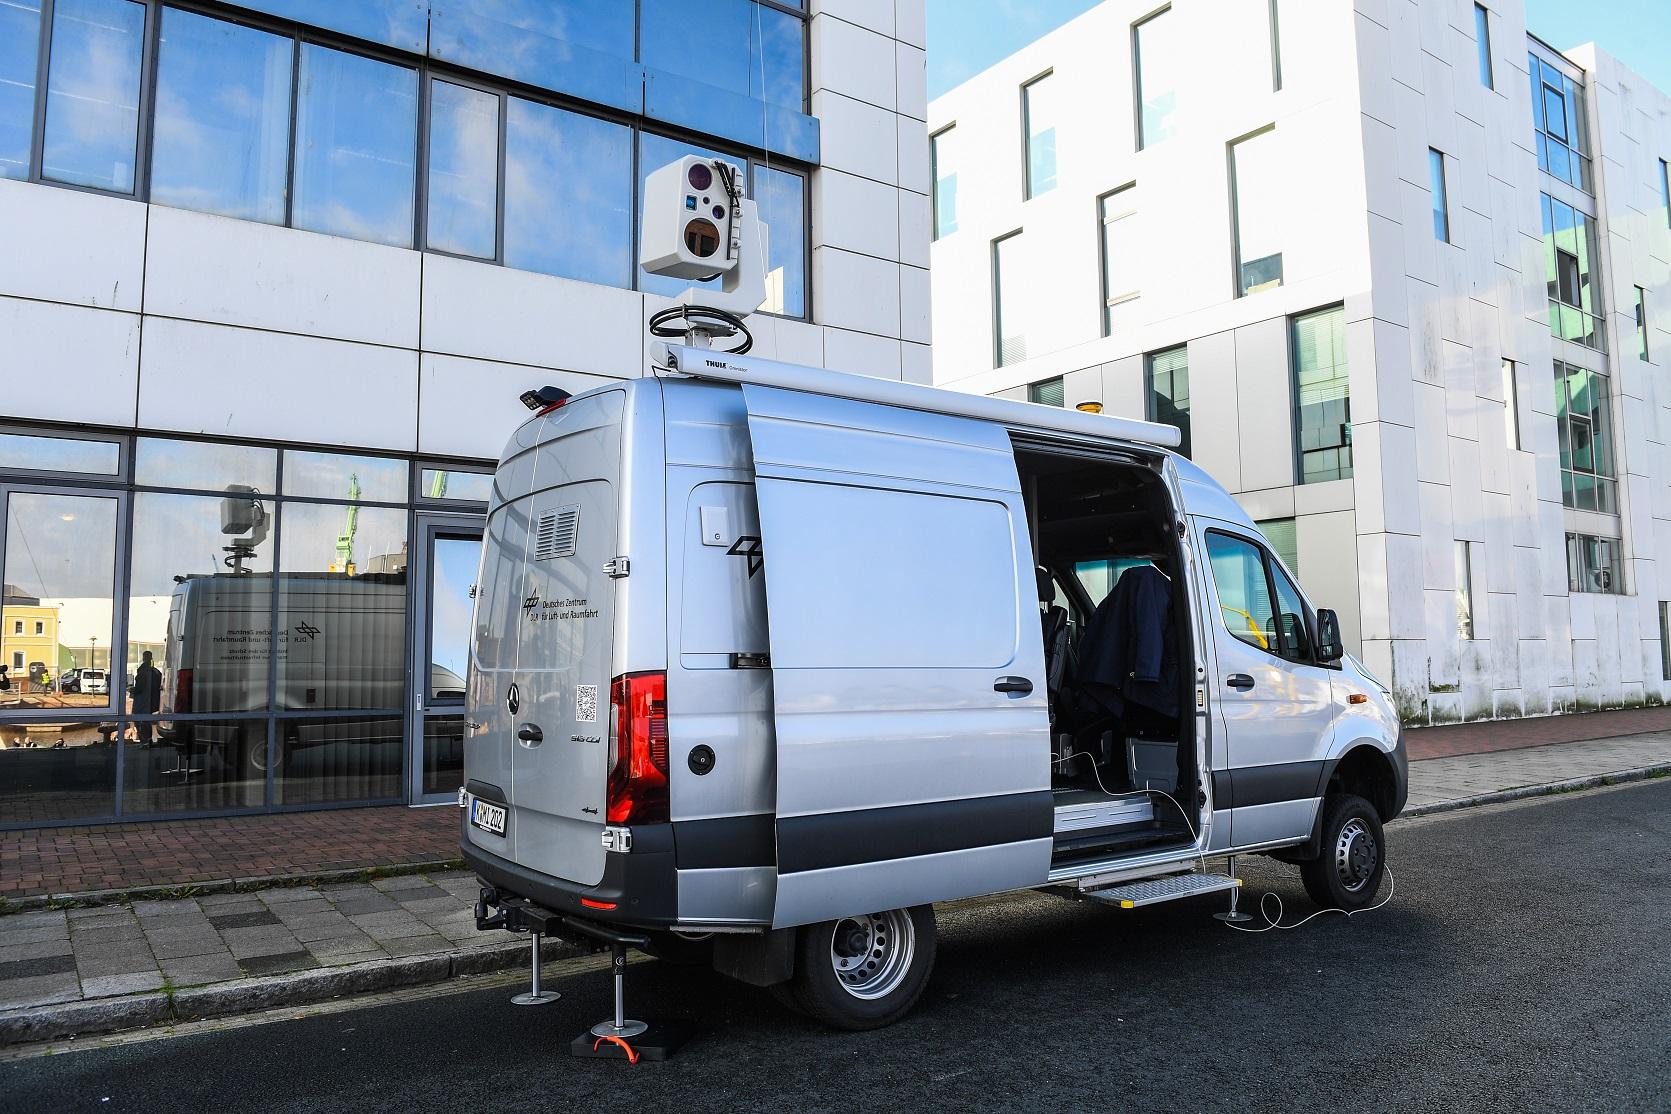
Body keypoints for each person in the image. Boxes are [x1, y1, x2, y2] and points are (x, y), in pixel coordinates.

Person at [131, 651, 162, 746]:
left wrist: (133, 690)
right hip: (151, 702)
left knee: (141, 722)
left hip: (142, 701)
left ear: (144, 658)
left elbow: (140, 687)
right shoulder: (156, 672)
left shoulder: (143, 671)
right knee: (146, 722)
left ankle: (144, 741)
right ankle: (147, 741)